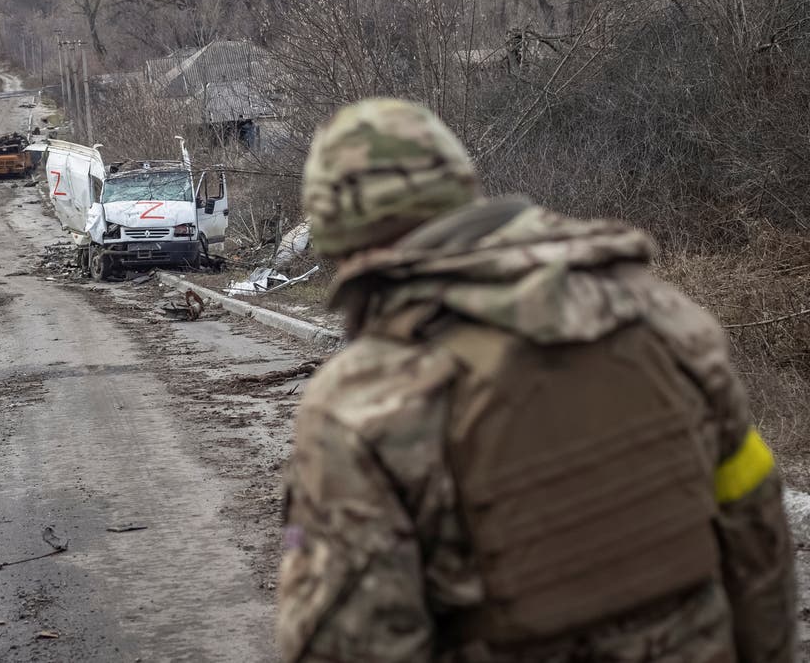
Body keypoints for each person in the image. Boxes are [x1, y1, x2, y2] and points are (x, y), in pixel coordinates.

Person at [278, 98, 796, 663]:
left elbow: (353, 642)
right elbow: (757, 534)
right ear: (462, 188)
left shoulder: (360, 403)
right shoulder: (664, 317)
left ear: (337, 238)